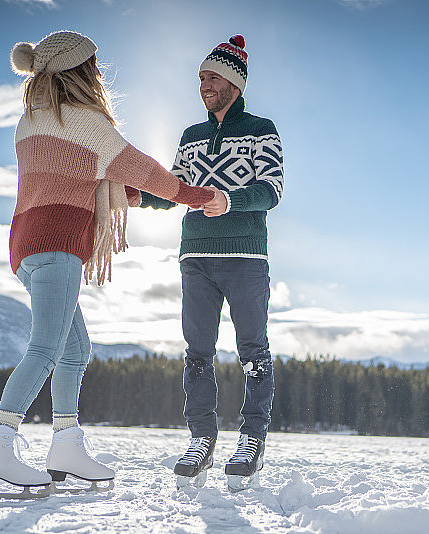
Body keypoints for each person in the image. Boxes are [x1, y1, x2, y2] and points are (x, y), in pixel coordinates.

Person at [0, 31, 214, 497]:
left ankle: (66, 446)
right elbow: (142, 169)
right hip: (59, 244)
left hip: (26, 245)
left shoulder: (31, 122)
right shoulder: (85, 123)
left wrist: (138, 197)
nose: (98, 73)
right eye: (93, 66)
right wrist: (196, 197)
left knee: (74, 349)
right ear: (79, 72)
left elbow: (82, 178)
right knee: (45, 349)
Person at [139, 35, 284, 490]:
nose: (204, 84)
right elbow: (172, 191)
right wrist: (132, 194)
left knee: (252, 351)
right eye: (201, 77)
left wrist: (231, 199)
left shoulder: (262, 129)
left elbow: (272, 190)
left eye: (212, 77)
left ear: (234, 83)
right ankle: (202, 437)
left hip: (244, 255)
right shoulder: (190, 137)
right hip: (195, 257)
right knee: (197, 352)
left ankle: (252, 439)